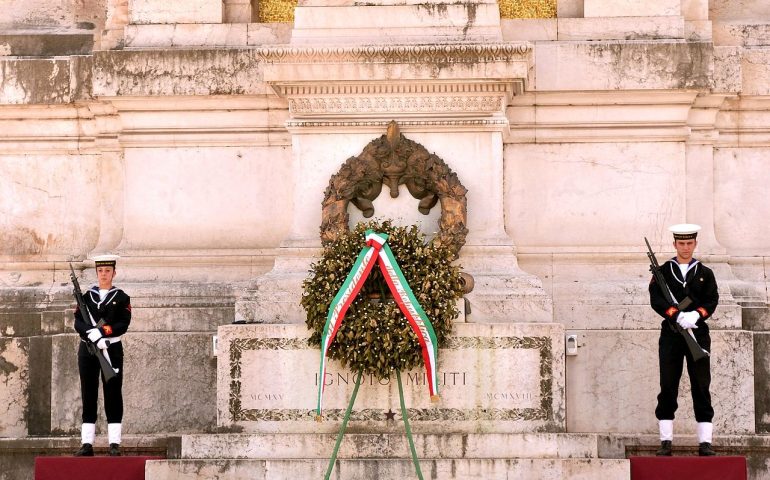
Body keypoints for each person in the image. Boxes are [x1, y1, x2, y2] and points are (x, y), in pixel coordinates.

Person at [649, 224, 718, 456]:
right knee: (668, 385)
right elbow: (657, 300)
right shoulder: (663, 271)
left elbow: (712, 300)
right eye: (681, 244)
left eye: (689, 243)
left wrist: (696, 315)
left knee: (701, 385)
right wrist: (676, 315)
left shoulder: (705, 273)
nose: (685, 248)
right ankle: (666, 441)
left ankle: (705, 442)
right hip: (671, 335)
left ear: (695, 244)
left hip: (697, 335)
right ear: (675, 245)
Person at [73, 255, 131, 456]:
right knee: (88, 392)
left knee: (113, 393)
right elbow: (78, 321)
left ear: (114, 273)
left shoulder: (122, 297)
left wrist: (103, 332)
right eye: (100, 271)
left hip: (111, 349)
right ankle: (86, 443)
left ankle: (114, 442)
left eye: (107, 271)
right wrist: (90, 333)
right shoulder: (88, 297)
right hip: (88, 350)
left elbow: (123, 324)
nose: (104, 274)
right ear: (96, 273)